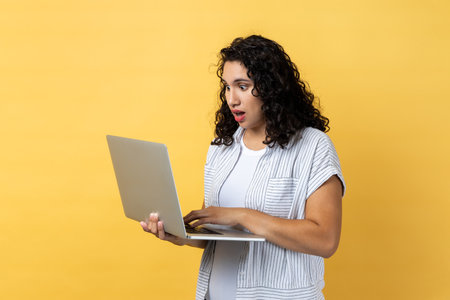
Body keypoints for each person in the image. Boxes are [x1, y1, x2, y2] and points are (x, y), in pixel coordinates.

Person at [140, 35, 345, 300]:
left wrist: (243, 216)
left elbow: (325, 240)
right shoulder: (221, 147)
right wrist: (180, 234)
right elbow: (213, 235)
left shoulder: (313, 147)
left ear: (271, 88)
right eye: (227, 87)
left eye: (243, 86)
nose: (231, 99)